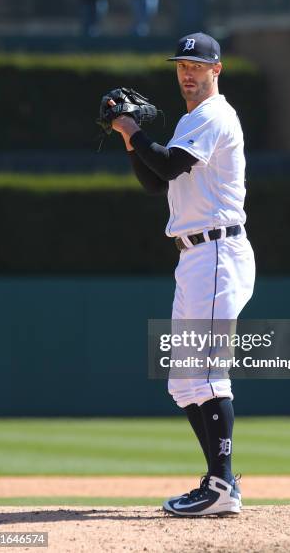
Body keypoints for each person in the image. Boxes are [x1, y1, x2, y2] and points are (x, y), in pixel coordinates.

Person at [109, 33, 256, 516]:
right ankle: (219, 483)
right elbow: (155, 181)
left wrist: (135, 129)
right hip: (195, 258)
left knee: (209, 375)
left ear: (218, 69)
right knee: (185, 382)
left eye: (197, 64)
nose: (188, 72)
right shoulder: (192, 120)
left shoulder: (215, 115)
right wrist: (129, 138)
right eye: (182, 65)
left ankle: (222, 487)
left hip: (217, 252)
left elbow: (170, 164)